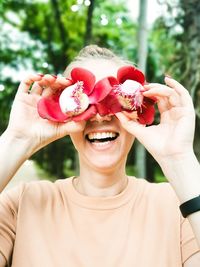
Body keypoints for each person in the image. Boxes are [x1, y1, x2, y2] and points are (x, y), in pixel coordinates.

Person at [0, 45, 200, 267]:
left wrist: (179, 158)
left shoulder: (179, 206)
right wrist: (17, 140)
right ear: (64, 116)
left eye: (115, 99)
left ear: (139, 109)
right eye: (85, 99)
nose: (101, 116)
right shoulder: (20, 205)